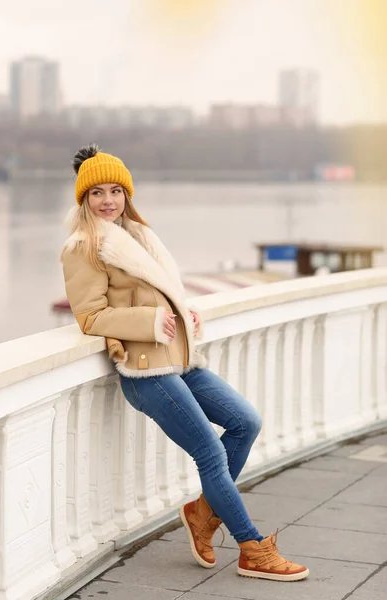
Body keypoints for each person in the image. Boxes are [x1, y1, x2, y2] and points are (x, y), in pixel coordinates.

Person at [61, 145, 309, 582]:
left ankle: (200, 514)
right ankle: (252, 548)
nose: (108, 200)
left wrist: (182, 310)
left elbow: (158, 288)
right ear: (83, 199)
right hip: (144, 370)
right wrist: (152, 321)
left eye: (116, 190)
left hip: (179, 358)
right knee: (210, 453)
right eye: (96, 192)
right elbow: (89, 316)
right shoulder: (84, 246)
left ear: (127, 194)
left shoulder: (138, 235)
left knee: (245, 422)